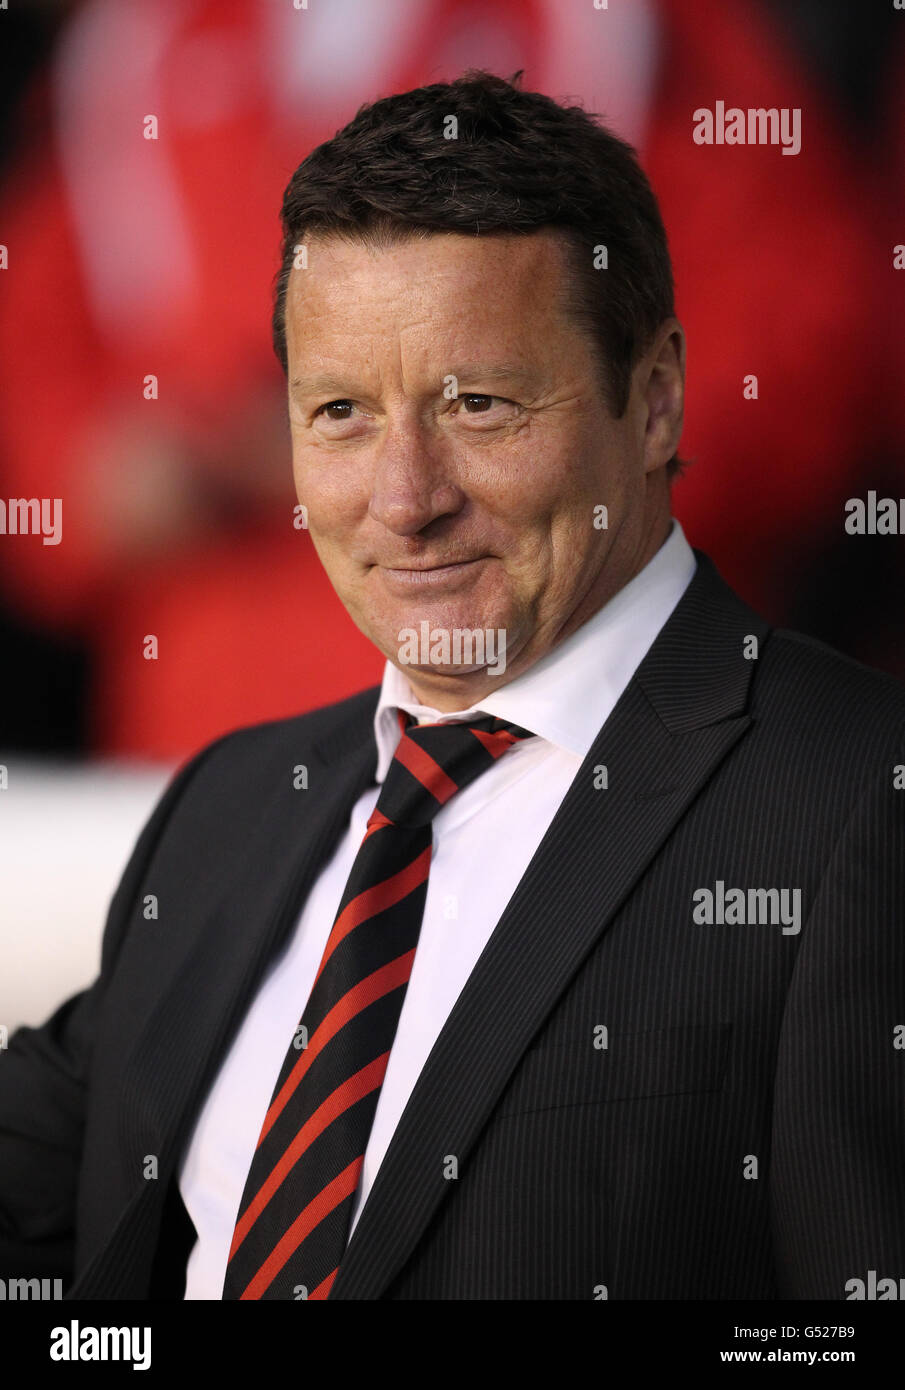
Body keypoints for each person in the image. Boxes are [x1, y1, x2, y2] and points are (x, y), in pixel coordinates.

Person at [1, 71, 903, 1301]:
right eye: (337, 415)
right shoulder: (226, 808)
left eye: (478, 406)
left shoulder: (856, 806)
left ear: (655, 400)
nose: (404, 498)